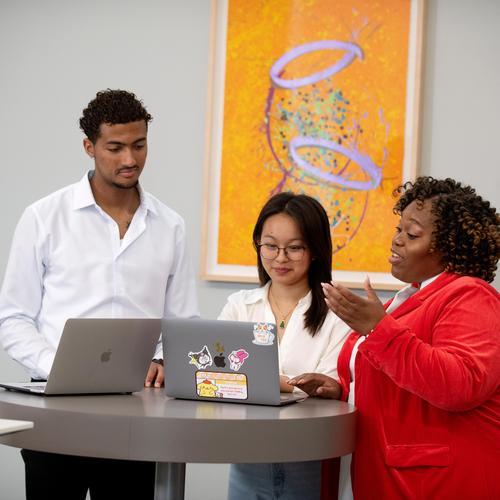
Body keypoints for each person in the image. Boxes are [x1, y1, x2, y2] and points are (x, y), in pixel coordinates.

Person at [0, 89, 198, 499]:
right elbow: (13, 319)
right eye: (115, 147)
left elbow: (181, 323)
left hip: (138, 413)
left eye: (139, 145)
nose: (130, 159)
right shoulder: (43, 217)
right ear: (89, 147)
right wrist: (59, 366)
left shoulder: (170, 225)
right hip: (54, 409)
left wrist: (163, 358)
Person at [290, 177, 500, 499]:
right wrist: (344, 391)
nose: (397, 241)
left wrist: (377, 329)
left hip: (437, 484)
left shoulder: (471, 296)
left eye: (412, 234)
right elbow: (403, 383)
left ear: (450, 246)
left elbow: (460, 384)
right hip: (382, 473)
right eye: (398, 229)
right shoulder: (405, 300)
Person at [218, 192, 351, 500]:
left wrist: (252, 382)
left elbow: (330, 388)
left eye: (294, 248)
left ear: (316, 250)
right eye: (270, 246)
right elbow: (216, 378)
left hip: (310, 459)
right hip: (248, 455)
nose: (280, 258)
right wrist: (294, 385)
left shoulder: (338, 314)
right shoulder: (239, 306)